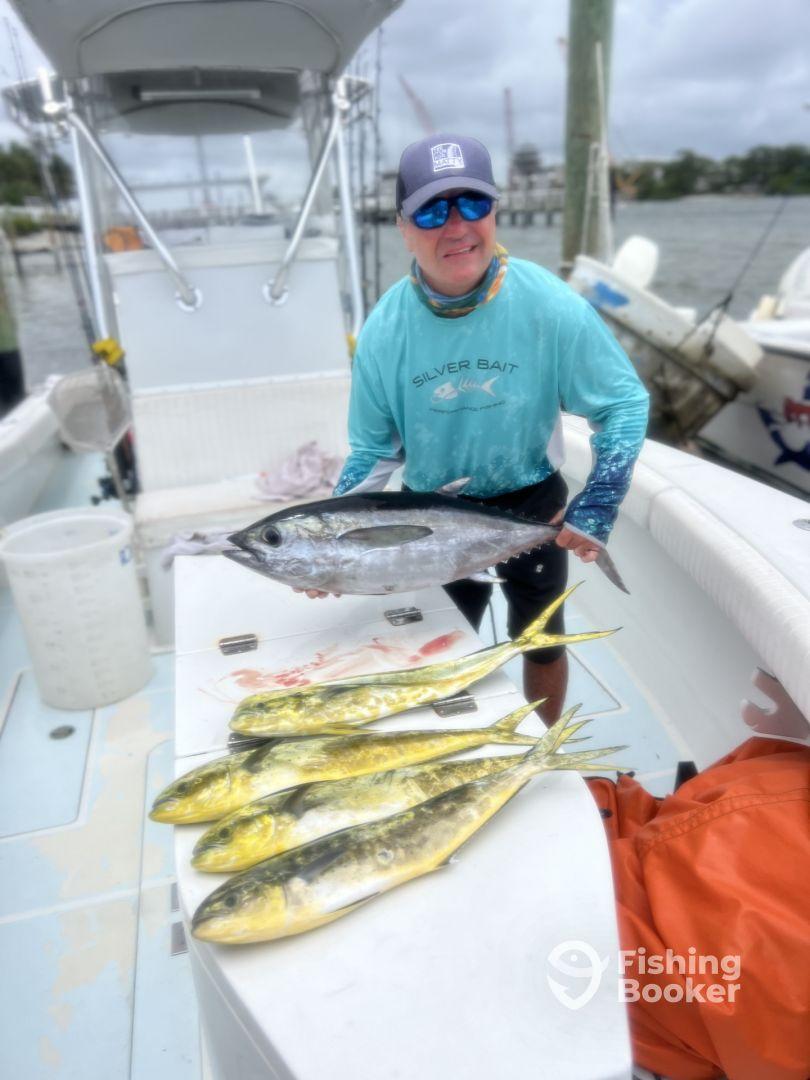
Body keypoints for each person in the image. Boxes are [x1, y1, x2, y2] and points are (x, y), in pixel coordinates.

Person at [306, 133, 649, 723]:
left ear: (495, 212)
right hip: (431, 514)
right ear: (403, 225)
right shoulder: (385, 332)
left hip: (534, 500)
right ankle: (459, 747)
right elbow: (373, 453)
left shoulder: (550, 305)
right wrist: (332, 541)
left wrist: (599, 502)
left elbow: (623, 404)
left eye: (474, 204)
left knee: (542, 636)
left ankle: (541, 750)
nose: (458, 225)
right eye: (434, 209)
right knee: (445, 645)